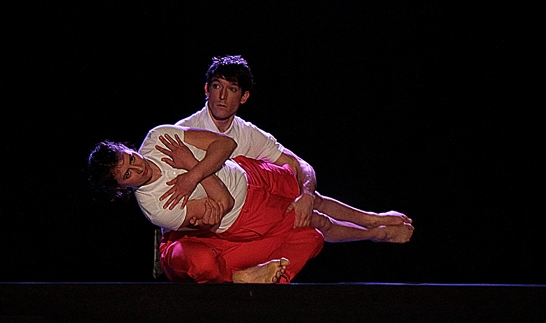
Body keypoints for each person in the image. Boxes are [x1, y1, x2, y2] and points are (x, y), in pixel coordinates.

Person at [172, 55, 414, 244]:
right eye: (216, 86)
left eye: (232, 89)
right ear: (206, 89)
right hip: (212, 220)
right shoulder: (184, 131)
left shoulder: (248, 133)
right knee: (315, 222)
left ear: (244, 97)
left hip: (252, 208)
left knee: (302, 197)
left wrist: (306, 196)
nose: (222, 96)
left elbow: (301, 166)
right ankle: (373, 234)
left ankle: (372, 221)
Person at [88, 125, 324, 284]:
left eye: (132, 158)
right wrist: (191, 164)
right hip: (240, 220)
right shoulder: (155, 206)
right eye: (128, 174)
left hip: (249, 175)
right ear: (121, 187)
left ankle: (364, 224)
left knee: (314, 207)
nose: (140, 167)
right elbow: (225, 201)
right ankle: (244, 278)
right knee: (313, 236)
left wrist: (192, 175)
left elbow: (226, 144)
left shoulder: (157, 138)